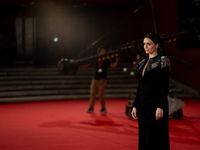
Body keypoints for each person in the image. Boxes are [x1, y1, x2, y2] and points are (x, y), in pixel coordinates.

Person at [131, 33, 170, 150]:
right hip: (144, 104)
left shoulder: (163, 61)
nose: (145, 47)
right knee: (144, 134)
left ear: (156, 45)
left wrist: (160, 106)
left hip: (156, 103)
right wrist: (135, 105)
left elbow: (164, 85)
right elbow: (140, 86)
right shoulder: (143, 62)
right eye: (144, 44)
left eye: (149, 44)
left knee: (157, 135)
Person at [86, 46, 118, 113]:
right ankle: (91, 108)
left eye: (104, 52)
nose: (103, 53)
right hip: (95, 79)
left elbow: (114, 66)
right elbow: (88, 63)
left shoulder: (106, 60)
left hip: (102, 80)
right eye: (102, 51)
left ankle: (103, 108)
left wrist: (117, 61)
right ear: (98, 52)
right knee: (92, 94)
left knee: (101, 94)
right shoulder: (96, 59)